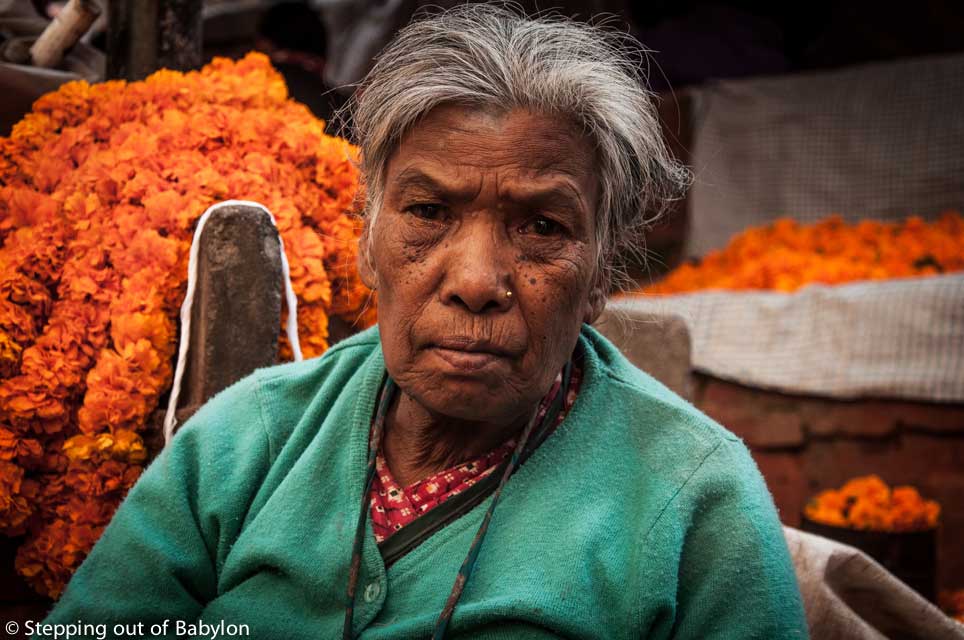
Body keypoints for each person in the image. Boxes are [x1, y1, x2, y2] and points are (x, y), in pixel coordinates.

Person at [41, 5, 808, 638]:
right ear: (368, 238)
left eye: (543, 227)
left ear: (603, 272)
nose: (476, 282)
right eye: (429, 212)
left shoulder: (697, 501)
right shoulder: (246, 441)